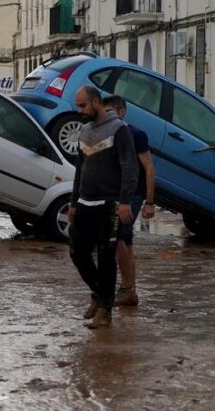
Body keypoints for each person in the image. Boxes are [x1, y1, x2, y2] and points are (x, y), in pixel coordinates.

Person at [68, 86, 139, 329]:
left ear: (96, 102)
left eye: (83, 105)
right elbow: (79, 169)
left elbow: (130, 167)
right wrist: (73, 202)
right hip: (85, 204)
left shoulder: (119, 130)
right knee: (77, 252)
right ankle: (100, 295)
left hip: (110, 205)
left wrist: (125, 201)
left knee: (107, 257)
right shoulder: (84, 131)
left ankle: (105, 312)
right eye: (78, 106)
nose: (79, 111)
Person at [102, 95, 156, 307]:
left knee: (118, 238)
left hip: (133, 193)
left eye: (110, 112)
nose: (106, 117)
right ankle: (129, 290)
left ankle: (126, 288)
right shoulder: (107, 134)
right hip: (115, 194)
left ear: (121, 112)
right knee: (125, 240)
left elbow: (149, 168)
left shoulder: (136, 134)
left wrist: (149, 202)